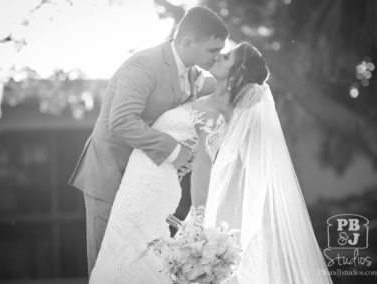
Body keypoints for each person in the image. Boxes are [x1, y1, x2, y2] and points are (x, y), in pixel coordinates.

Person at [68, 6, 228, 276]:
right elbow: (121, 121)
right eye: (213, 50)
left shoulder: (190, 71)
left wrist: (247, 86)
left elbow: (208, 91)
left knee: (142, 267)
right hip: (111, 175)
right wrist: (176, 153)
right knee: (108, 267)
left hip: (145, 182)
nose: (217, 57)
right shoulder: (144, 64)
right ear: (188, 42)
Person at [204, 43, 333, 283]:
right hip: (226, 200)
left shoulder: (252, 98)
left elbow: (236, 148)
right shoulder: (231, 96)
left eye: (226, 56)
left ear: (240, 68)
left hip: (236, 203)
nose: (218, 58)